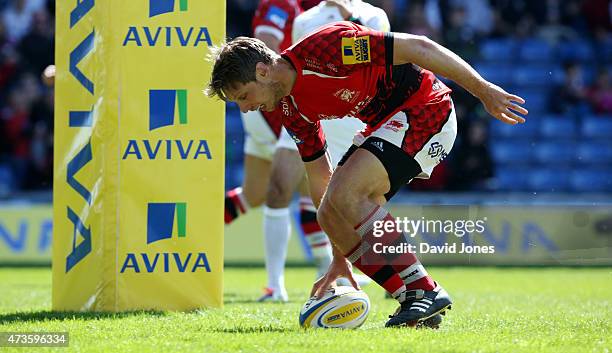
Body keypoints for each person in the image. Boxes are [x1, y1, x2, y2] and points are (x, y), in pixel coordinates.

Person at [207, 22, 527, 327]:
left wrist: (483, 90)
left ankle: (424, 289)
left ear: (262, 71)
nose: (245, 109)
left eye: (243, 97)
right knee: (329, 214)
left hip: (426, 108)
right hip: (388, 125)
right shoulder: (290, 109)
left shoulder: (328, 48)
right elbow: (320, 176)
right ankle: (411, 298)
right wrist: (339, 257)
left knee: (347, 194)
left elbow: (418, 46)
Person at [260, 0, 389, 302]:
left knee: (366, 201)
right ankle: (273, 284)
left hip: (351, 116)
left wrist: (350, 17)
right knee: (278, 185)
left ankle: (389, 273)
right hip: (307, 112)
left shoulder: (373, 15)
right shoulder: (305, 19)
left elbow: (379, 59)